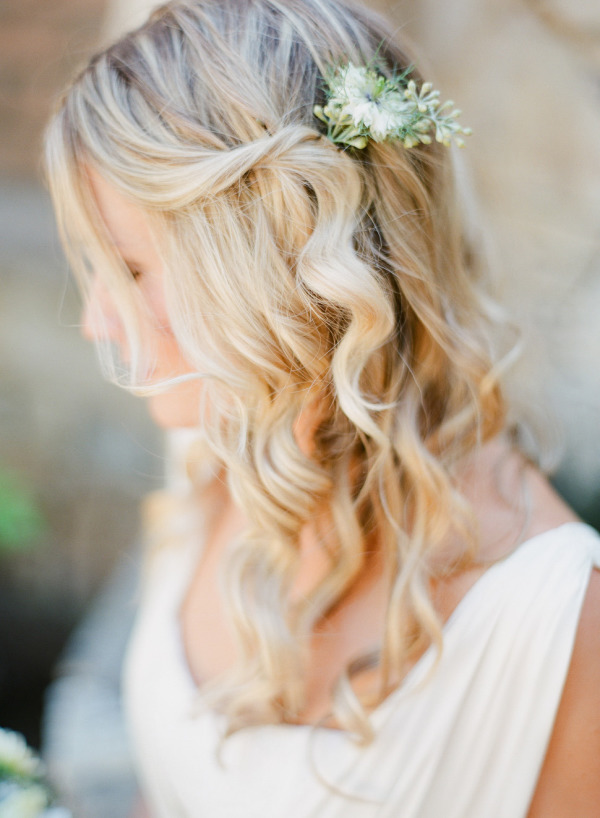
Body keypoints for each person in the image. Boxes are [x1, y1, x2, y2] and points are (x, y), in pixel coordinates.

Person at [44, 0, 600, 815]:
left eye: (127, 270)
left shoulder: (560, 625)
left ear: (275, 266)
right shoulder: (213, 456)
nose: (97, 321)